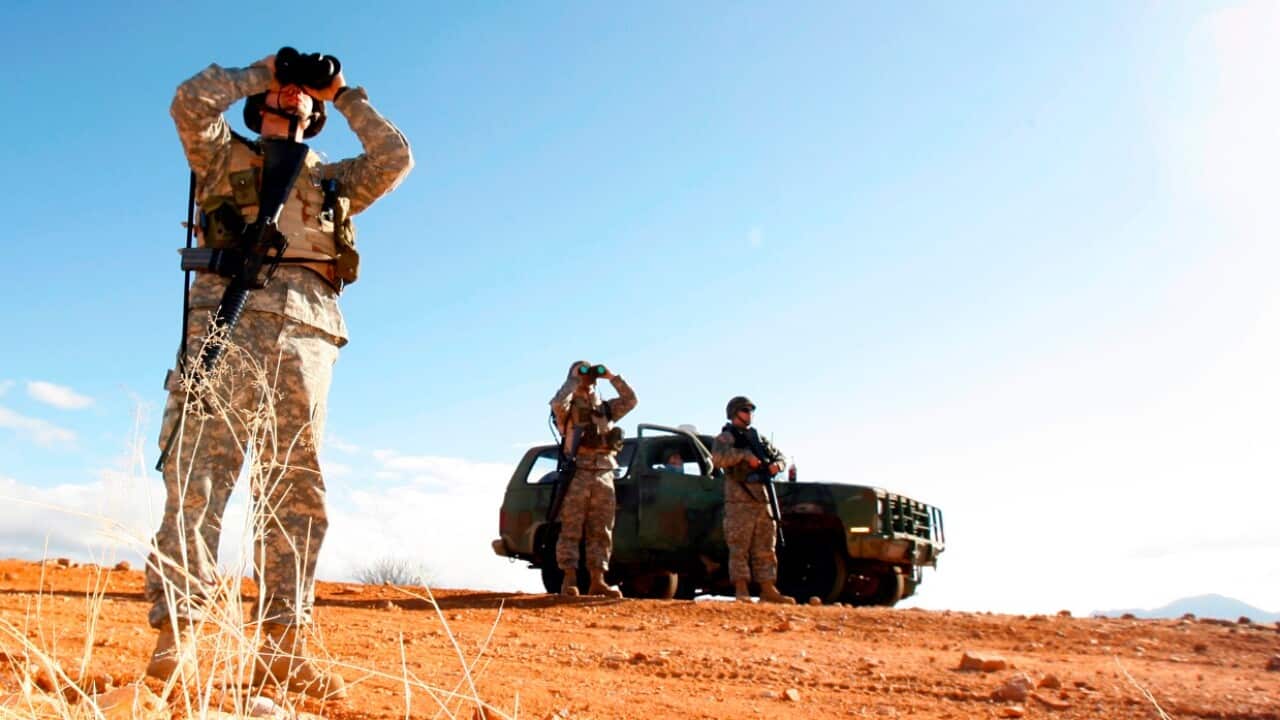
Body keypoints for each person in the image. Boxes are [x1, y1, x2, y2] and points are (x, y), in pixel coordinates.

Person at [144, 50, 413, 698]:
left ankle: (282, 649)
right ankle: (177, 641)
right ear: (260, 101)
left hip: (308, 336)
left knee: (294, 489)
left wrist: (342, 94)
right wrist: (264, 70)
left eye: (302, 92)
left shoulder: (334, 180)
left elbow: (395, 157)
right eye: (282, 89)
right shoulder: (221, 156)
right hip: (226, 322)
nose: (292, 93)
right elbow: (189, 102)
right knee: (199, 476)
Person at [550, 361, 637, 598]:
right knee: (571, 527)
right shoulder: (568, 407)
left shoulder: (606, 408)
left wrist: (611, 377)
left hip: (604, 473)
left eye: (590, 374)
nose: (589, 377)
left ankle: (598, 580)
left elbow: (631, 400)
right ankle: (569, 580)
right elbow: (557, 403)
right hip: (578, 471)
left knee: (601, 529)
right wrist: (574, 378)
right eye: (584, 373)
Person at [712, 396, 796, 604]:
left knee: (766, 546)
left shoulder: (759, 439)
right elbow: (718, 459)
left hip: (762, 500)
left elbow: (781, 458)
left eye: (750, 411)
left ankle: (768, 588)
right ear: (734, 413)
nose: (749, 414)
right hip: (739, 501)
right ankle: (741, 588)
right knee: (739, 547)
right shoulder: (725, 438)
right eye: (745, 410)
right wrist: (744, 456)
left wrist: (778, 466)